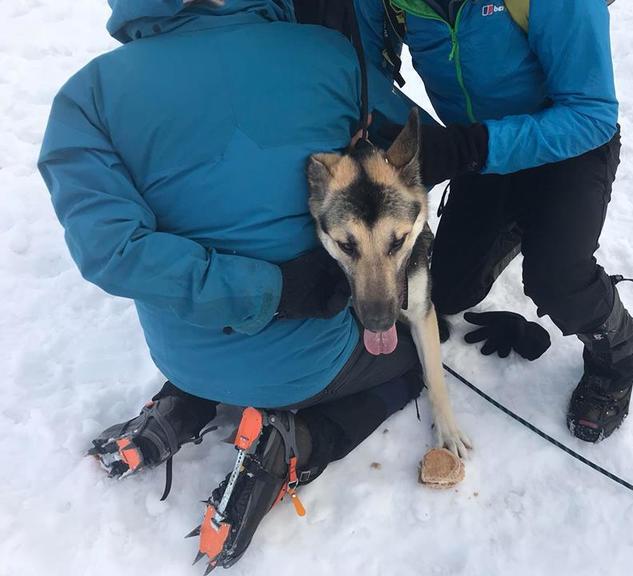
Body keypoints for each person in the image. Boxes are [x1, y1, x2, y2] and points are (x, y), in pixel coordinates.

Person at [38, 0, 423, 569]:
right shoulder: (329, 55)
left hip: (185, 353)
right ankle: (299, 440)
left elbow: (109, 249)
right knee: (410, 363)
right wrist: (282, 288)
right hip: (310, 365)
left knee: (212, 346)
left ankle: (187, 403)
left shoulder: (87, 96)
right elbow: (416, 142)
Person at [355, 0, 633, 442]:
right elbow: (363, 71)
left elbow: (592, 113)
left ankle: (617, 356)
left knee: (556, 278)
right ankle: (518, 221)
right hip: (481, 152)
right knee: (448, 291)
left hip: (568, 145)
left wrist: (469, 147)